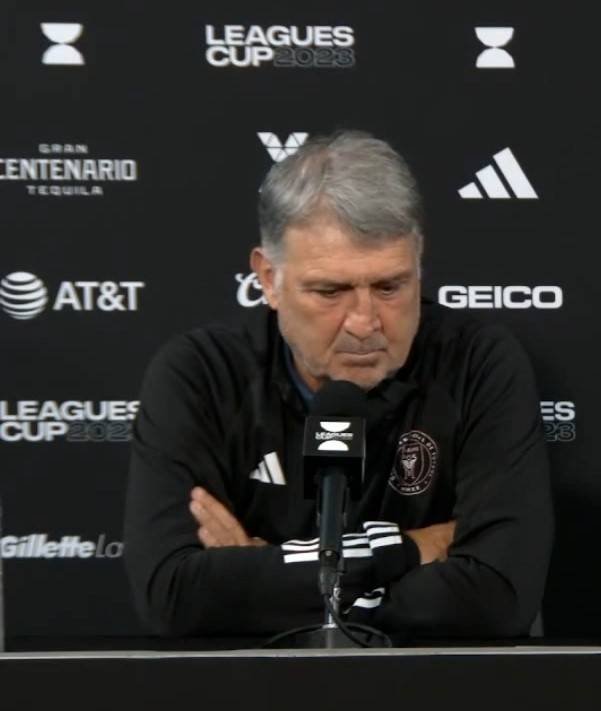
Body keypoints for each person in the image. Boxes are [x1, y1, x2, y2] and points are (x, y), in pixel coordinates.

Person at [124, 131, 553, 638]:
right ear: (268, 278)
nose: (365, 322)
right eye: (331, 291)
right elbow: (172, 597)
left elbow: (498, 599)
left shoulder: (478, 364)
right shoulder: (200, 374)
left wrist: (270, 573)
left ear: (419, 263)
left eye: (390, 286)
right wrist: (413, 550)